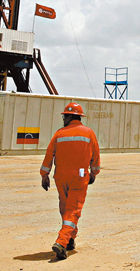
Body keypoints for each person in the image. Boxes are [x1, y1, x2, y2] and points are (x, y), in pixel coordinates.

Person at [40, 102, 101, 260]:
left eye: (64, 117)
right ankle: (61, 242)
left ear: (70, 117)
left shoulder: (59, 134)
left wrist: (44, 175)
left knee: (65, 208)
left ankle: (70, 239)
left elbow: (49, 154)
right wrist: (94, 173)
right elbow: (95, 155)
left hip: (61, 176)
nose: (63, 119)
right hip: (79, 177)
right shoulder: (89, 133)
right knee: (73, 210)